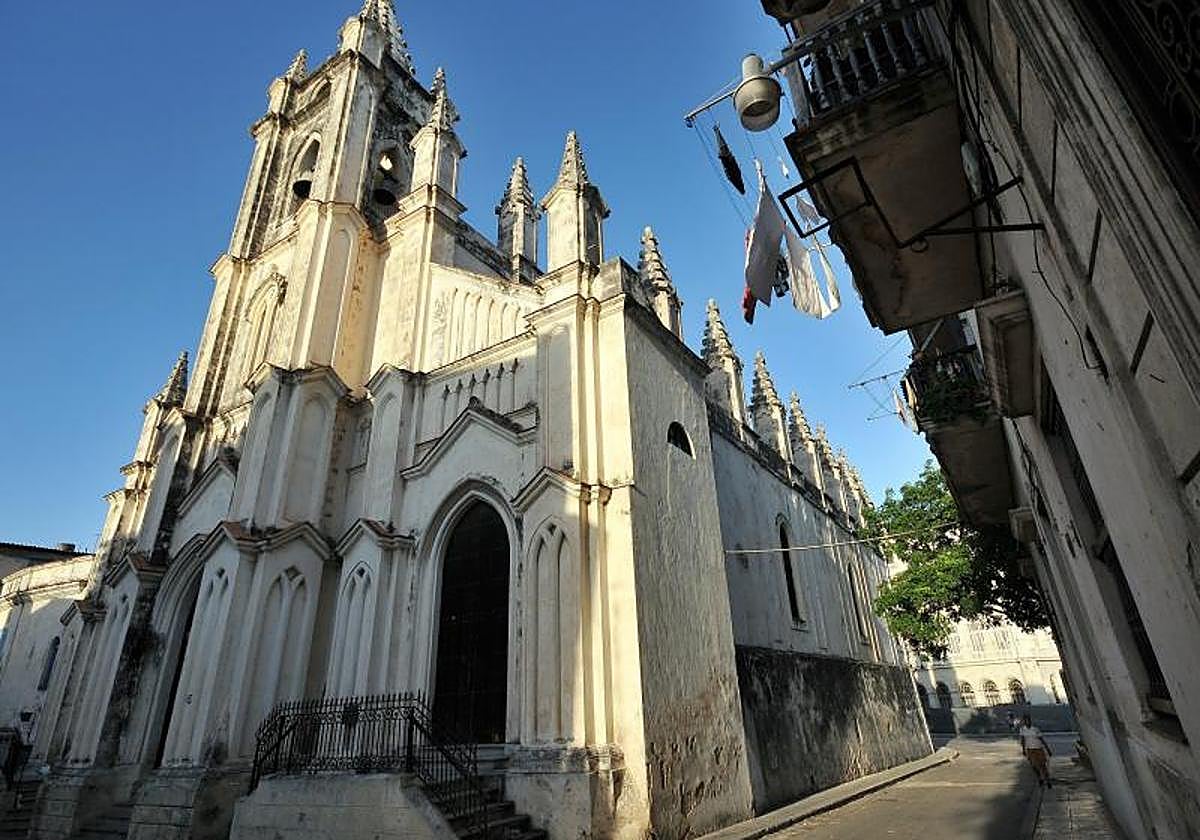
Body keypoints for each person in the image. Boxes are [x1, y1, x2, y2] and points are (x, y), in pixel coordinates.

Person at [1019, 713, 1052, 787]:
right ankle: (1040, 778)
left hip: (1038, 748)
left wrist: (1048, 749)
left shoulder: (1035, 729)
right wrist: (1023, 750)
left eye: (1028, 720)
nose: (1027, 722)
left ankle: (1048, 780)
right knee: (1034, 766)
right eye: (1026, 721)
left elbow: (1042, 739)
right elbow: (1023, 740)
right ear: (1024, 721)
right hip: (1030, 750)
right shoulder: (1022, 730)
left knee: (1042, 765)